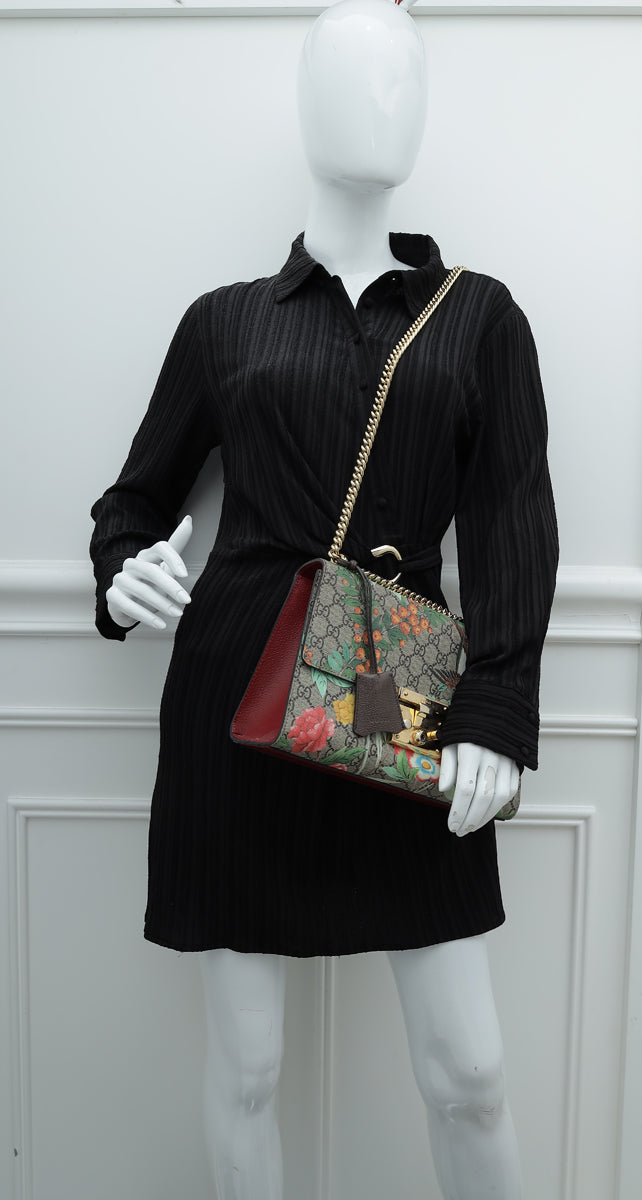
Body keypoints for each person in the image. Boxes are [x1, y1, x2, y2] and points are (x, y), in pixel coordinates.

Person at [89, 2, 558, 1196]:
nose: (381, 102)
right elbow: (134, 501)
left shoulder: (480, 317)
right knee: (248, 1067)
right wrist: (124, 569)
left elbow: (514, 520)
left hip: (399, 688)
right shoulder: (224, 320)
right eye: (352, 75)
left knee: (472, 1072)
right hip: (236, 698)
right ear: (303, 102)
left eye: (404, 76)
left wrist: (499, 711)